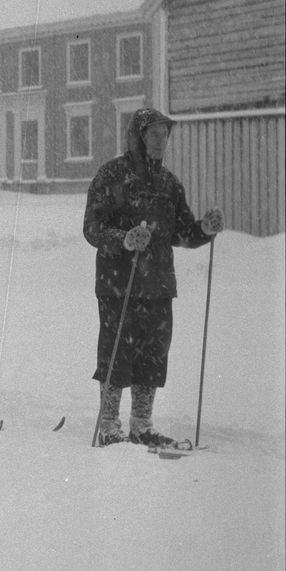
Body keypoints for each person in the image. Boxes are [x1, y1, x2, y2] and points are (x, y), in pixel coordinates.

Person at [83, 107, 223, 447]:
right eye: (154, 134)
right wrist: (124, 239)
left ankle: (141, 424)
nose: (161, 141)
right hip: (119, 284)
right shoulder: (111, 175)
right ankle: (109, 425)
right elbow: (92, 227)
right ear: (138, 137)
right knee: (117, 355)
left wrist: (204, 229)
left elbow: (182, 232)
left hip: (158, 285)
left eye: (165, 134)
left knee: (152, 357)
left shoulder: (169, 184)